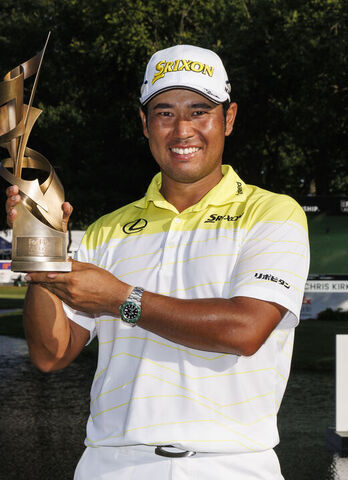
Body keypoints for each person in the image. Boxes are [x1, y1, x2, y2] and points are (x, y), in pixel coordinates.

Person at [6, 44, 310, 479]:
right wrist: (40, 255)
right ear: (144, 125)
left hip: (232, 465)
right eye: (165, 113)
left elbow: (245, 330)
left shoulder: (272, 213)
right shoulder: (108, 229)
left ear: (230, 118)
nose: (182, 129)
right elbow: (51, 353)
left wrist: (120, 298)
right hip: (110, 463)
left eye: (199, 111)